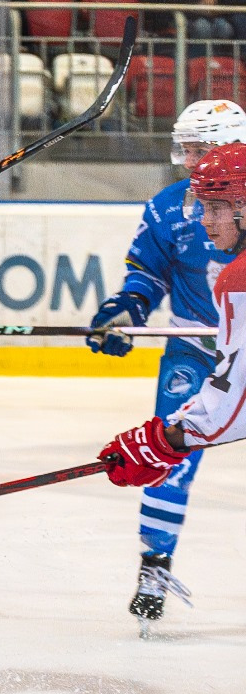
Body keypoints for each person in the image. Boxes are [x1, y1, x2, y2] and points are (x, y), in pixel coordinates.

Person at [84, 100, 246, 629]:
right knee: (172, 452)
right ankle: (155, 562)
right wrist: (125, 309)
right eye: (188, 150)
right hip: (196, 351)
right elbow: (146, 275)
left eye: (202, 150)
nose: (191, 161)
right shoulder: (168, 207)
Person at [102, 143, 246, 536]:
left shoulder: (240, 281)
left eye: (215, 208)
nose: (204, 221)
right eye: (202, 207)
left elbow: (234, 405)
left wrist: (164, 442)